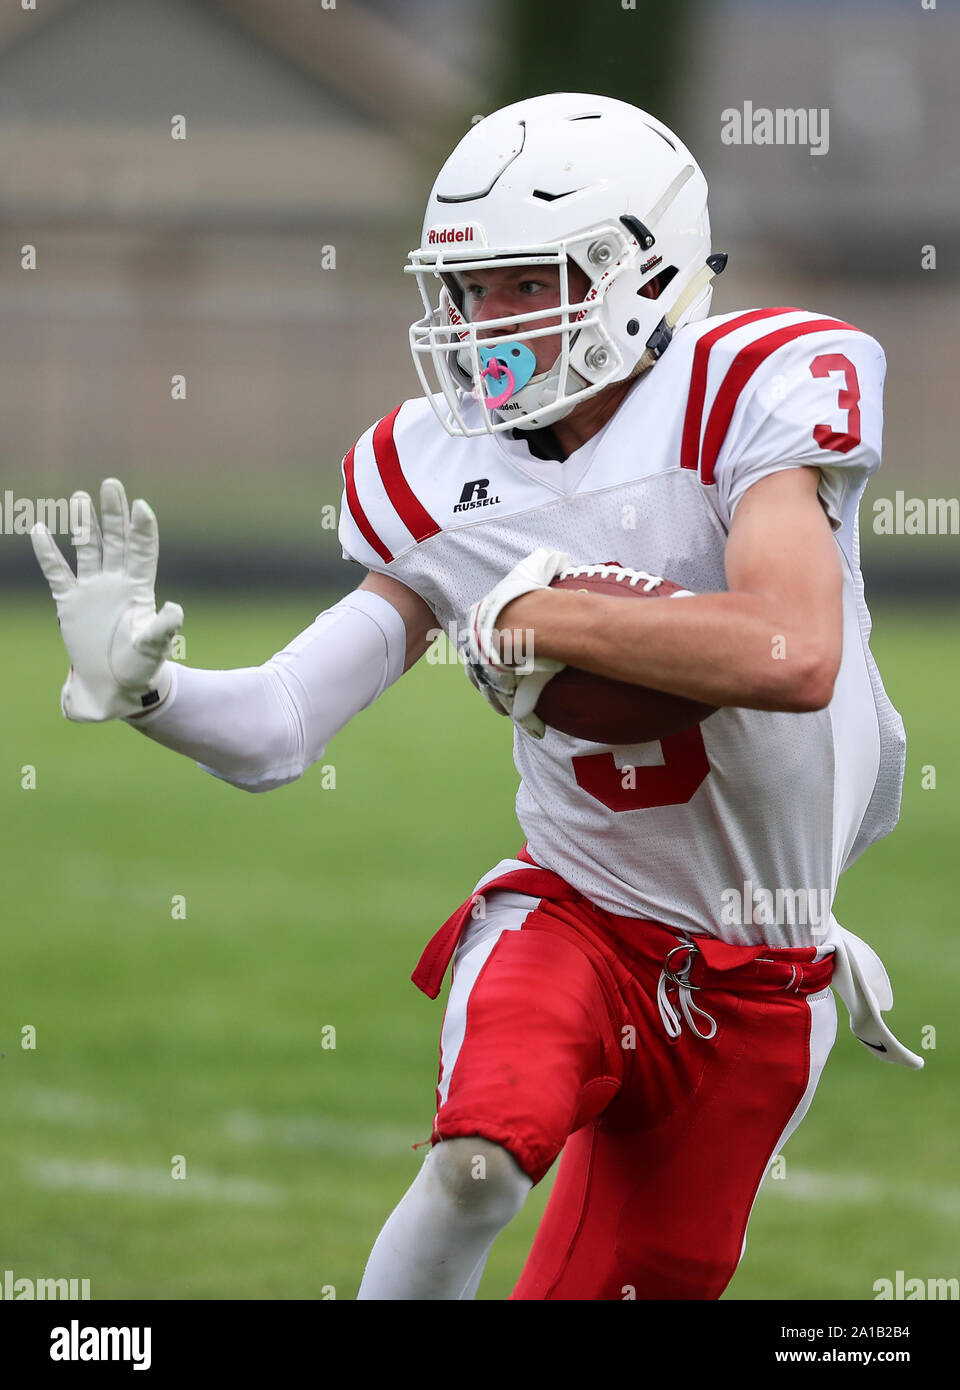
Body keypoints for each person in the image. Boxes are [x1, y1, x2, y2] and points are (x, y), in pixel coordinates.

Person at [31, 93, 922, 1302]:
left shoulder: (746, 392)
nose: (482, 323)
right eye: (467, 290)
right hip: (579, 913)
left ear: (638, 269)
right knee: (473, 1167)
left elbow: (791, 650)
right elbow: (284, 726)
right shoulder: (435, 466)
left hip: (761, 969)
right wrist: (145, 688)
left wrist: (540, 616)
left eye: (521, 281)